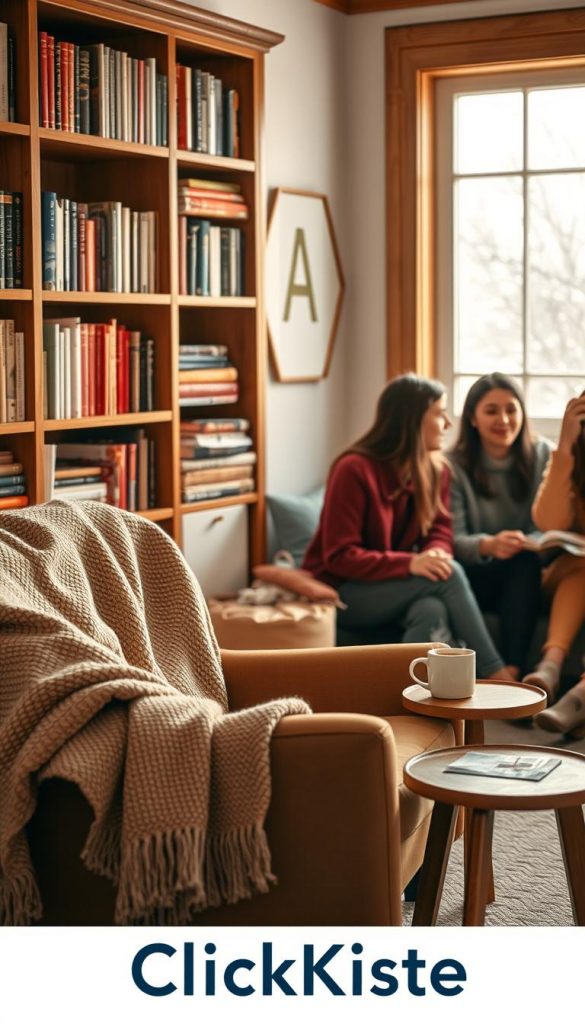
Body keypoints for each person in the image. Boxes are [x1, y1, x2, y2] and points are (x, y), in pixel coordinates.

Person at [302, 373, 512, 680]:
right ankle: (495, 673)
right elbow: (340, 556)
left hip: (388, 584)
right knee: (449, 573)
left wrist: (435, 554)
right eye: (440, 414)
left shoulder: (435, 470)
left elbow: (441, 529)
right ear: (411, 419)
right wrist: (413, 563)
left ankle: (404, 694)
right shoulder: (354, 470)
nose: (448, 424)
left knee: (431, 609)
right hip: (343, 591)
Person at [448, 373, 551, 680]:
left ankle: (513, 671)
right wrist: (489, 545)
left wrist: (529, 541)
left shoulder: (543, 453)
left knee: (525, 562)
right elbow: (452, 540)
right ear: (473, 419)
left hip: (528, 568)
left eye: (511, 409)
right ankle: (505, 675)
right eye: (491, 410)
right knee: (519, 563)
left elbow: (551, 524)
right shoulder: (452, 465)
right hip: (477, 573)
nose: (503, 419)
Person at [525, 392, 585, 738]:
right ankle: (549, 668)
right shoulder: (572, 459)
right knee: (580, 567)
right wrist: (565, 449)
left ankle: (577, 699)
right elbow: (548, 519)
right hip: (568, 575)